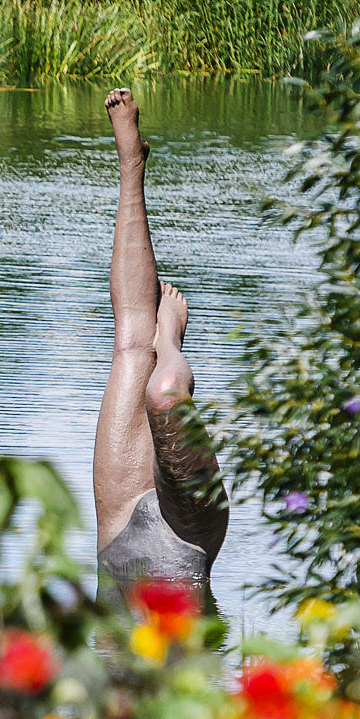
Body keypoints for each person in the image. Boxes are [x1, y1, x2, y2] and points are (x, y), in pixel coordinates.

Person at [91, 87, 227, 597]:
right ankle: (170, 336)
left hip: (118, 536)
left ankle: (131, 165)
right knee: (163, 390)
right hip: (185, 539)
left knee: (130, 342)